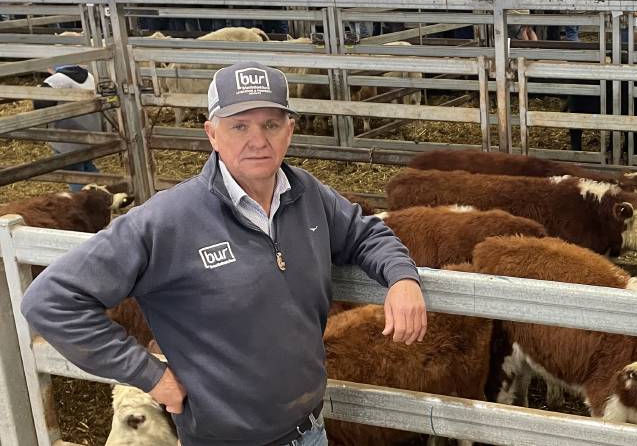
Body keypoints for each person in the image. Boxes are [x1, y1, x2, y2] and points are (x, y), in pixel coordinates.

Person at [22, 62, 427, 446]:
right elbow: (51, 300)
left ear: (290, 130)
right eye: (239, 125)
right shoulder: (168, 219)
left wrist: (402, 278)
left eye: (271, 124)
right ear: (211, 134)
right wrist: (149, 374)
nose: (258, 140)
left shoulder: (306, 194)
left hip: (308, 430)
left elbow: (366, 232)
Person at [32, 65, 103, 190]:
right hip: (90, 130)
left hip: (67, 134)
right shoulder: (89, 76)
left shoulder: (56, 80)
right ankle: (102, 191)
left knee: (73, 171)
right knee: (86, 164)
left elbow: (40, 103)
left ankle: (82, 200)